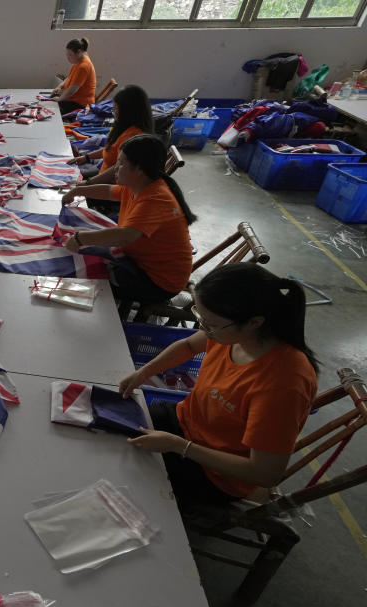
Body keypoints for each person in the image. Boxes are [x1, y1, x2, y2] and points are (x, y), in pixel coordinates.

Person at [119, 263, 319, 508]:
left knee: (123, 477)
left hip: (217, 474)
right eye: (200, 318)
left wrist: (178, 446)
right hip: (186, 423)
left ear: (254, 322)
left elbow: (265, 474)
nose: (204, 330)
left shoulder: (284, 384)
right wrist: (144, 373)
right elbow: (189, 346)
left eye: (210, 324)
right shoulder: (231, 334)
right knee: (110, 428)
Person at [62, 134, 195, 304]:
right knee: (86, 260)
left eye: (121, 163)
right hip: (141, 262)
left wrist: (80, 239)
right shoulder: (139, 186)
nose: (115, 168)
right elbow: (109, 191)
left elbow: (125, 236)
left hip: (158, 282)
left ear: (139, 169)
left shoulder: (156, 198)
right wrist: (77, 190)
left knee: (87, 278)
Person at [69, 84, 153, 181]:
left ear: (129, 112)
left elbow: (116, 170)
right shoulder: (123, 128)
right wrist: (86, 157)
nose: (114, 113)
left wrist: (88, 183)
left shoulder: (134, 137)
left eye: (116, 109)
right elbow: (110, 149)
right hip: (102, 177)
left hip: (108, 182)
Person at [50, 38, 96, 115]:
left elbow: (71, 91)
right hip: (73, 100)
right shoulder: (78, 61)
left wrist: (59, 99)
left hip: (81, 105)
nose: (68, 58)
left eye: (70, 55)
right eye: (67, 55)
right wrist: (60, 86)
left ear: (79, 52)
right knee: (52, 99)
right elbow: (69, 77)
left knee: (52, 110)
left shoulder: (83, 66)